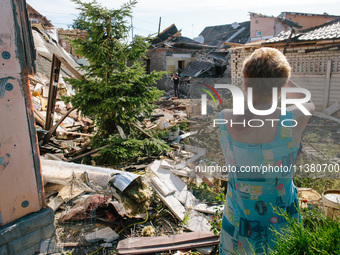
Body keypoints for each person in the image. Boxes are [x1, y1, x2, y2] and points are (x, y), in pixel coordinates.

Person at [218, 47, 315, 254]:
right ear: (281, 86)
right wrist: (279, 78)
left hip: (238, 224)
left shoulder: (224, 118)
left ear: (245, 82)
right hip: (280, 223)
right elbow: (309, 101)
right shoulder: (293, 119)